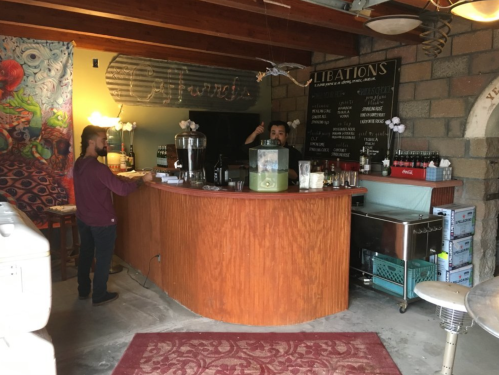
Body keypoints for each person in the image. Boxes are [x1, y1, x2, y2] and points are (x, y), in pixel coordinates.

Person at [74, 125, 152, 306]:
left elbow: (103, 183)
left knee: (85, 254)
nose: (106, 145)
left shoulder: (79, 163)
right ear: (91, 142)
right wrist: (143, 180)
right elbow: (122, 191)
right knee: (103, 258)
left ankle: (83, 291)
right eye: (103, 141)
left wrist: (123, 179)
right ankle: (99, 294)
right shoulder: (98, 168)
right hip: (102, 222)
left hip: (83, 219)